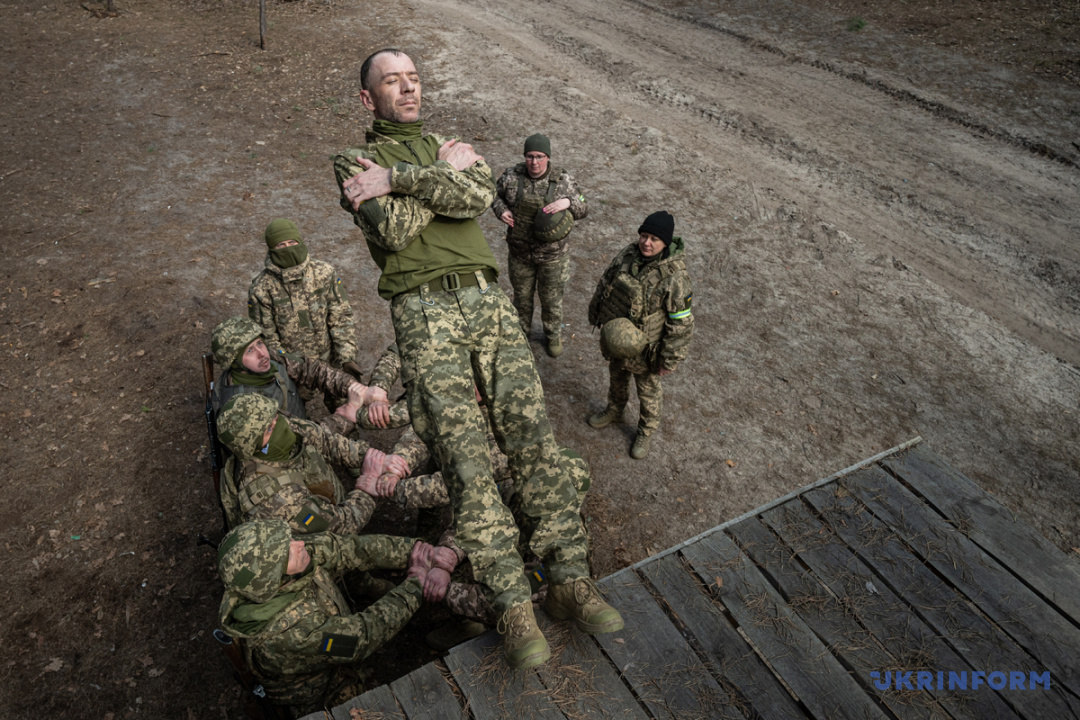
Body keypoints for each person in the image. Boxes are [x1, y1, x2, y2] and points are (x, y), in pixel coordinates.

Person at [331, 48, 621, 668]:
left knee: (532, 440)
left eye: (413, 78)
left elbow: (478, 194)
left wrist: (407, 179)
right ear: (368, 98)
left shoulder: (444, 142)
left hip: (488, 301)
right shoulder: (354, 162)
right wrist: (439, 178)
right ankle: (514, 607)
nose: (407, 89)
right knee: (464, 461)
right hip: (422, 311)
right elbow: (394, 231)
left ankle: (570, 578)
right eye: (392, 81)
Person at [217, 519, 460, 715]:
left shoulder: (276, 565)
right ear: (275, 582)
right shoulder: (288, 635)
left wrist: (418, 552)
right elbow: (362, 636)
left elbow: (346, 549)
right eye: (289, 551)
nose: (300, 543)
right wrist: (416, 583)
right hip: (323, 693)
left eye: (289, 539)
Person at [215, 393, 408, 537]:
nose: (281, 424)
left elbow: (324, 440)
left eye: (274, 416)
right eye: (269, 429)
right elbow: (341, 528)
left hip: (326, 497)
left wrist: (370, 458)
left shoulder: (276, 425)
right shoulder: (276, 498)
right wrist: (368, 484)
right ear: (252, 447)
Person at [587, 211, 694, 459]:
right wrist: (596, 314)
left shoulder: (675, 278)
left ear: (665, 242)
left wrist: (670, 360)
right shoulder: (627, 255)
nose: (647, 242)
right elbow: (605, 283)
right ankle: (615, 409)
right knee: (617, 377)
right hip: (619, 338)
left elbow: (681, 324)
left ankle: (645, 431)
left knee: (648, 391)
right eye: (644, 236)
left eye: (654, 239)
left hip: (648, 350)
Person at [492, 134, 588, 357]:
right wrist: (501, 210)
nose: (534, 162)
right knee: (521, 298)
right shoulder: (511, 176)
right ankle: (520, 334)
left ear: (548, 157)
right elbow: (493, 195)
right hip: (520, 254)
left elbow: (584, 206)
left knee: (551, 300)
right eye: (529, 156)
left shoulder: (563, 180)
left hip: (553, 257)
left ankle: (552, 335)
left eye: (539, 157)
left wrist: (569, 202)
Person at [210, 316, 385, 436]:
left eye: (259, 343)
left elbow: (310, 370)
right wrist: (344, 418)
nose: (261, 353)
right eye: (249, 351)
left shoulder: (267, 359)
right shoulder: (244, 406)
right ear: (234, 363)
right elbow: (294, 438)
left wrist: (355, 388)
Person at [247, 218, 363, 383]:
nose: (288, 248)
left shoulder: (324, 273)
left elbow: (340, 316)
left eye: (292, 242)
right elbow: (267, 338)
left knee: (348, 405)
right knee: (294, 408)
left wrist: (347, 356)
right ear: (271, 249)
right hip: (296, 370)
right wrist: (292, 370)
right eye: (281, 245)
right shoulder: (262, 289)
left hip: (332, 361)